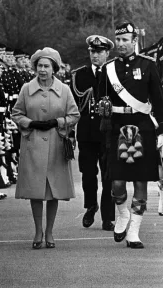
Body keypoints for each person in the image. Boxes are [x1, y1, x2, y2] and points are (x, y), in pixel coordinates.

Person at [98, 21, 163, 249]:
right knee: (116, 183)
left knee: (140, 181)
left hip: (142, 127)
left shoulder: (148, 65)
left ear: (135, 41)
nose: (121, 44)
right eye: (119, 40)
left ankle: (134, 231)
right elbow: (101, 99)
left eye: (126, 40)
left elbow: (158, 100)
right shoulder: (109, 68)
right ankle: (123, 214)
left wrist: (161, 130)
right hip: (116, 128)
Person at [12, 47, 80, 249]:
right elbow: (16, 114)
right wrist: (31, 124)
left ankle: (49, 231)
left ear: (54, 69)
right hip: (32, 144)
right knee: (35, 191)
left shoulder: (64, 90)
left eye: (46, 66)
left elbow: (74, 115)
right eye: (39, 66)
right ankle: (37, 231)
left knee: (53, 192)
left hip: (56, 145)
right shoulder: (26, 88)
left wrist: (58, 122)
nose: (42, 70)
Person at [70, 35, 115, 231]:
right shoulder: (79, 75)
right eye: (92, 52)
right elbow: (71, 106)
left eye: (99, 52)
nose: (95, 55)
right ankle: (90, 206)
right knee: (88, 174)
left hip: (107, 132)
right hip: (87, 133)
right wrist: (70, 132)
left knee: (108, 176)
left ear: (107, 53)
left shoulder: (114, 73)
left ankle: (108, 216)